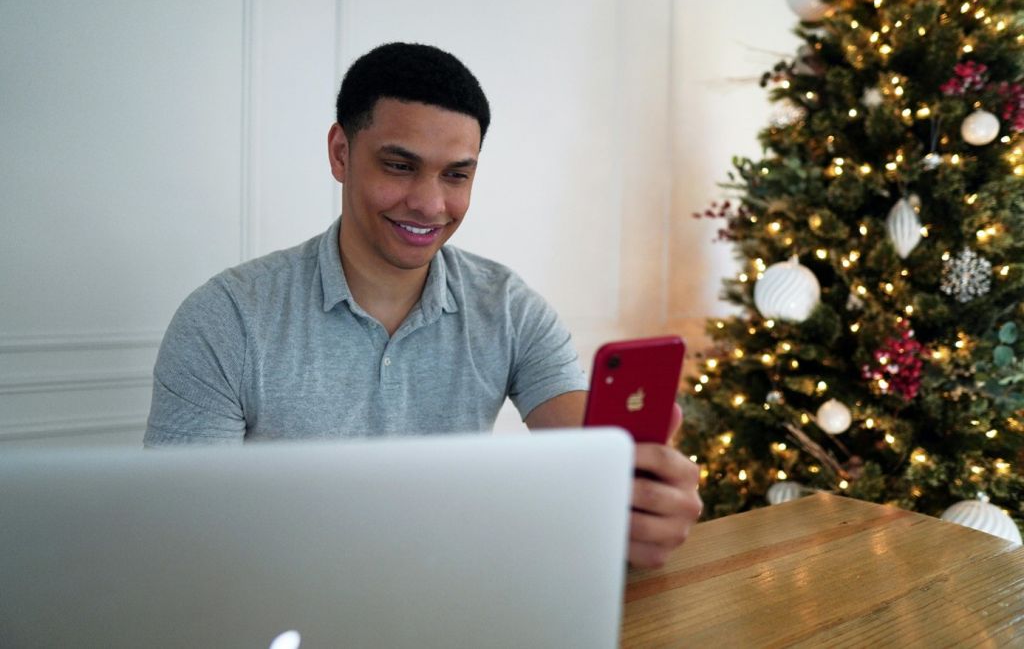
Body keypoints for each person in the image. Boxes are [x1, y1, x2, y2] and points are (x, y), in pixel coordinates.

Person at [145, 42, 701, 568]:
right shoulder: (225, 319)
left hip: (454, 602)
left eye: (456, 174)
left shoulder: (507, 307)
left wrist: (639, 498)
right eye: (399, 166)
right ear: (341, 153)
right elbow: (178, 535)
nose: (430, 204)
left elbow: (590, 453)